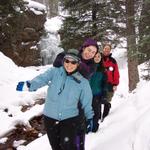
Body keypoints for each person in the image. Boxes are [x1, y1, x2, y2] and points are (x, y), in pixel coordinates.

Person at [16, 49, 94, 150]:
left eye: (73, 62)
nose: (69, 65)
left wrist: (89, 117)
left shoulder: (82, 82)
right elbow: (42, 78)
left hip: (69, 119)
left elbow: (86, 102)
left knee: (69, 147)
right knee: (55, 146)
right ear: (63, 61)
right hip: (50, 118)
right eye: (67, 61)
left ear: (78, 63)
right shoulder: (55, 72)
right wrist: (30, 85)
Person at [53, 38, 99, 149]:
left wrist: (73, 60)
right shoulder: (70, 54)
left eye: (93, 52)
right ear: (83, 47)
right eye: (89, 50)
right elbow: (56, 63)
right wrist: (68, 57)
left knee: (78, 130)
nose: (90, 54)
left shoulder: (92, 65)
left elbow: (86, 73)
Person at [89, 51, 108, 132]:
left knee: (96, 112)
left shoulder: (103, 70)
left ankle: (94, 127)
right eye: (95, 56)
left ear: (101, 58)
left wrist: (104, 95)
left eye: (99, 56)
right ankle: (87, 126)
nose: (97, 58)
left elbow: (104, 83)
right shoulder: (87, 67)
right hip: (87, 94)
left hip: (97, 94)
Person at [101, 43, 120, 118]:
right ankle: (98, 117)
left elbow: (116, 73)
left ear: (110, 51)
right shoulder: (99, 58)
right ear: (103, 49)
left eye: (108, 49)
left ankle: (105, 117)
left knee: (107, 101)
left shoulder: (113, 61)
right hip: (100, 83)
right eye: (105, 49)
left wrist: (115, 84)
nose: (106, 50)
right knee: (98, 100)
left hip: (110, 84)